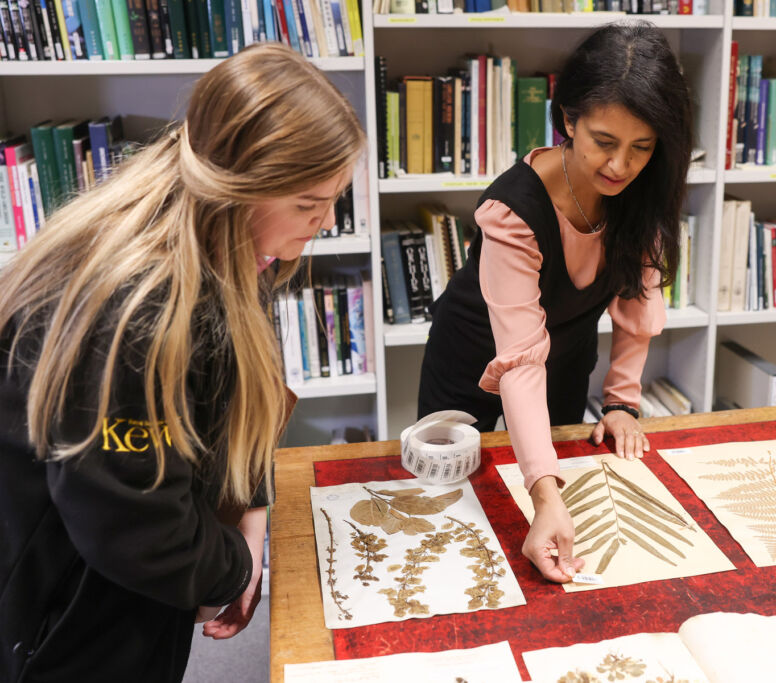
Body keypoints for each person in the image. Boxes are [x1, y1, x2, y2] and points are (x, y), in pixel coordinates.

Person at [0, 43, 364, 683]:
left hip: (129, 576)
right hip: (61, 611)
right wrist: (236, 566)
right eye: (309, 205)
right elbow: (133, 528)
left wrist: (250, 510)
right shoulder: (135, 312)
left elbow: (245, 388)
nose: (326, 222)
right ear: (240, 188)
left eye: (334, 199)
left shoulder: (230, 241)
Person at [418, 22, 693, 584]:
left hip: (564, 360)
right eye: (603, 143)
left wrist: (623, 403)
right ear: (568, 120)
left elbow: (637, 305)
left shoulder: (640, 194)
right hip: (473, 355)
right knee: (451, 509)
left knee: (558, 503)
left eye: (641, 147)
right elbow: (518, 356)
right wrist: (543, 493)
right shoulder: (513, 210)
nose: (620, 166)